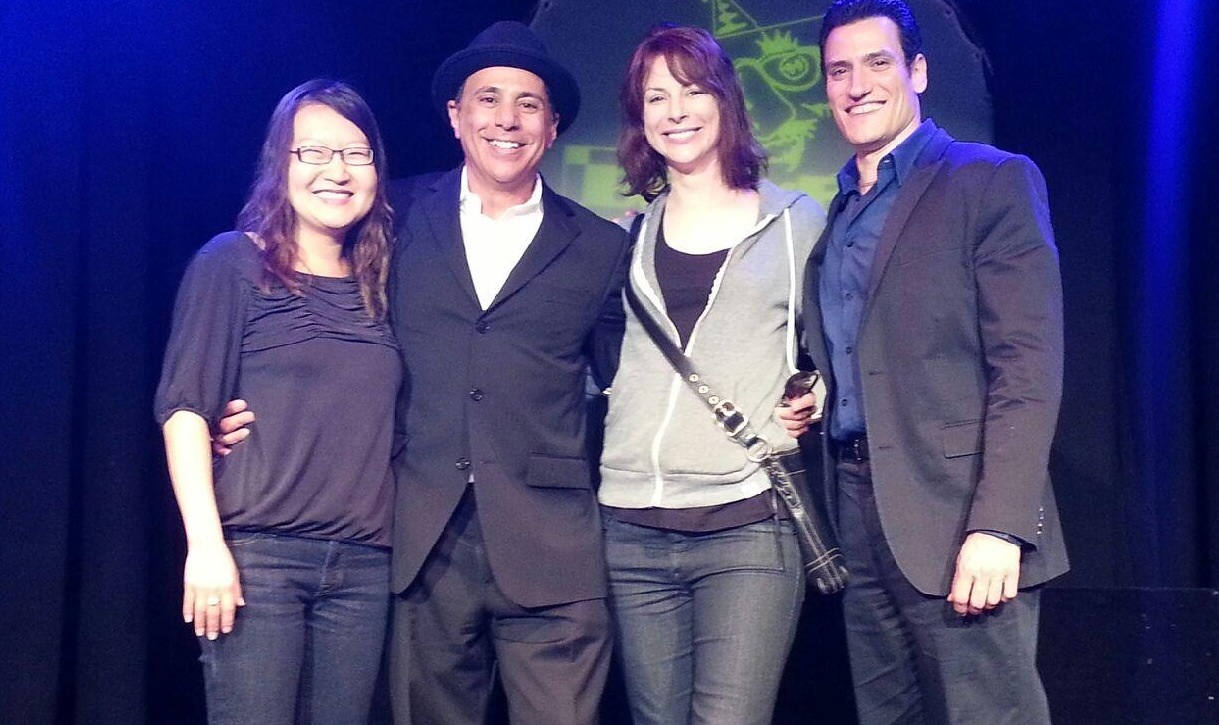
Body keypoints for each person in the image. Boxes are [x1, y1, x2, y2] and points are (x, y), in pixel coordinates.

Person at [217, 21, 629, 725]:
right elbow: (326, 326)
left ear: (552, 125)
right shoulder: (393, 217)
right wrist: (254, 413)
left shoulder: (599, 245)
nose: (506, 118)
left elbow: (630, 381)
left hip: (552, 549)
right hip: (419, 542)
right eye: (488, 98)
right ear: (455, 116)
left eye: (527, 104)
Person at [777, 1, 1069, 723]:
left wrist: (999, 525)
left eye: (877, 63)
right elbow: (869, 345)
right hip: (856, 506)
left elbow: (1027, 369)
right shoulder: (838, 211)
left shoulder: (987, 180)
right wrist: (819, 389)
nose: (855, 85)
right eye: (837, 71)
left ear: (917, 70)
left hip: (956, 510)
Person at [597, 25, 825, 724]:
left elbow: (840, 345)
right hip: (631, 526)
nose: (674, 110)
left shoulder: (796, 222)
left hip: (747, 524)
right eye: (655, 96)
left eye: (691, 90)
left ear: (724, 98)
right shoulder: (625, 234)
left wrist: (819, 391)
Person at [155, 79, 398, 724]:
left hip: (365, 568)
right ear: (279, 165)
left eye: (355, 153)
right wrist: (204, 546)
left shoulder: (387, 284)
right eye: (313, 152)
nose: (336, 171)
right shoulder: (233, 263)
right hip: (260, 561)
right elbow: (185, 411)